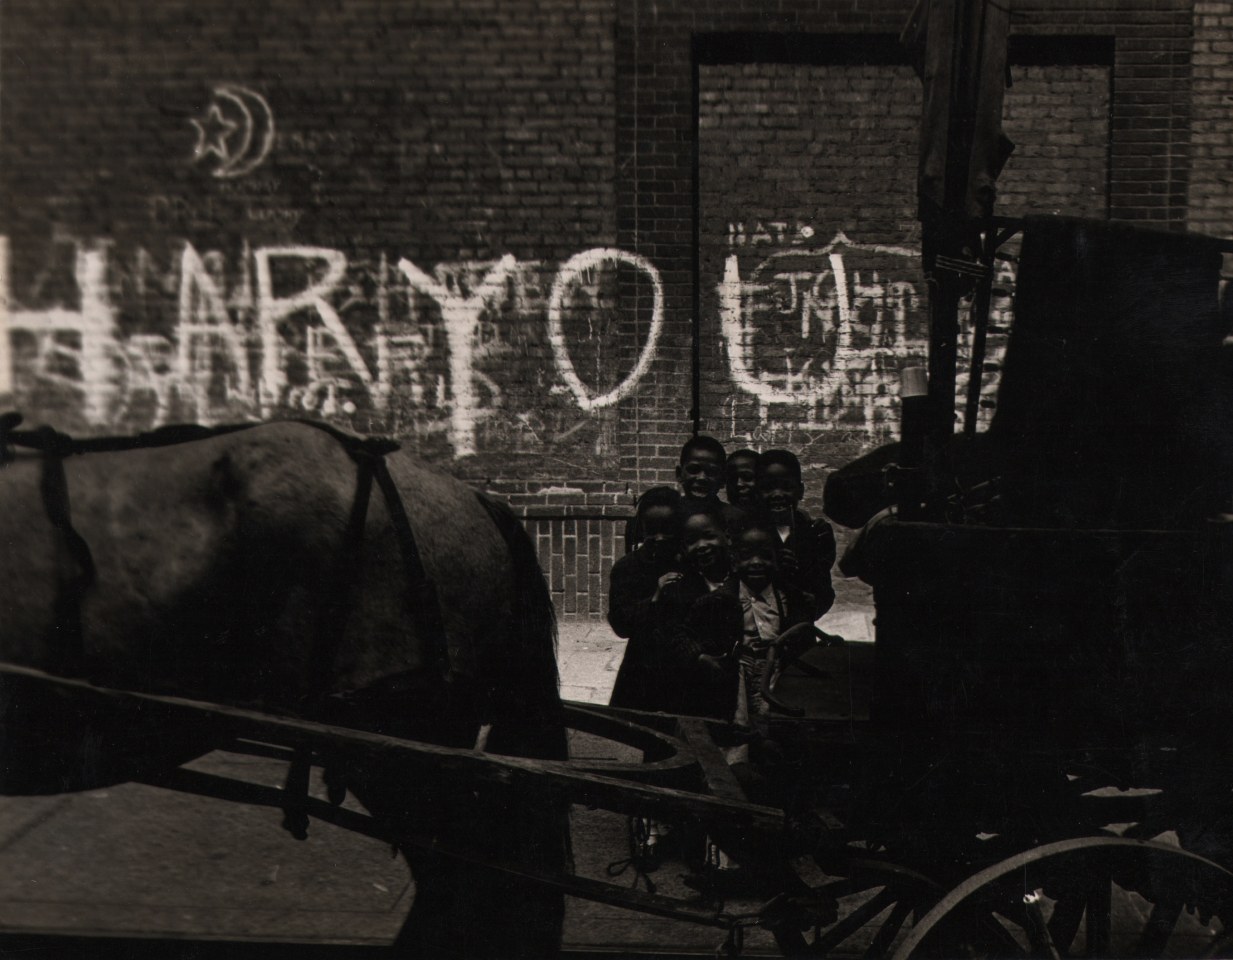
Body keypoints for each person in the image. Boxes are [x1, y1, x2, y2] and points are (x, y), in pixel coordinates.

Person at [608, 487, 683, 712]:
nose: (659, 538)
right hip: (642, 666)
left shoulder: (687, 563)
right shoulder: (627, 567)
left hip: (682, 666)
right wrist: (654, 598)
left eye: (667, 529)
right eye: (652, 530)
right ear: (641, 529)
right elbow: (621, 624)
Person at [755, 449, 836, 619]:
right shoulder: (749, 532)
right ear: (756, 492)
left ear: (800, 491)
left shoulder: (816, 533)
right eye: (768, 488)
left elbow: (823, 593)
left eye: (786, 487)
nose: (777, 495)